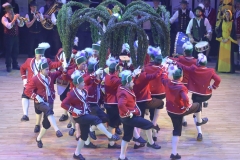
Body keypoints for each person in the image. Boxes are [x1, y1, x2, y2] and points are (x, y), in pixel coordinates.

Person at [61, 74, 120, 160]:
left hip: (85, 114)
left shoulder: (84, 91)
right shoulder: (72, 93)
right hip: (79, 116)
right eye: (82, 82)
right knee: (96, 119)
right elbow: (63, 104)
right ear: (77, 84)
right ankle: (110, 135)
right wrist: (73, 110)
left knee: (84, 136)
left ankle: (76, 154)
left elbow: (87, 96)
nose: (84, 83)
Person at [161, 65, 208, 160]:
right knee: (197, 105)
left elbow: (163, 77)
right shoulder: (182, 87)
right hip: (179, 111)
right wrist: (187, 106)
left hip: (170, 110)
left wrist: (164, 69)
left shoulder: (167, 82)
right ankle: (199, 121)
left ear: (173, 76)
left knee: (176, 130)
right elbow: (186, 98)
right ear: (181, 77)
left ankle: (174, 153)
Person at [173, 53, 221, 141]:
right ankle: (200, 120)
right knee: (199, 109)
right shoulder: (211, 70)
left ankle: (200, 130)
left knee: (197, 112)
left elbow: (184, 67)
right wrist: (213, 87)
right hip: (206, 95)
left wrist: (175, 62)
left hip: (196, 95)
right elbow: (218, 79)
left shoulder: (193, 68)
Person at [117, 70, 160, 160]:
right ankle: (150, 143)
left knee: (126, 137)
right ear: (128, 83)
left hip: (126, 118)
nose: (133, 83)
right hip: (129, 117)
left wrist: (134, 75)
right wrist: (128, 113)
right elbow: (121, 105)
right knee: (148, 124)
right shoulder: (123, 93)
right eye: (132, 82)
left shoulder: (123, 87)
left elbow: (129, 80)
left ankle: (122, 157)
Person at [20, 43, 62, 131]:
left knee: (41, 104)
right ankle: (25, 115)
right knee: (25, 95)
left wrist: (63, 62)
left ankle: (40, 124)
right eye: (39, 55)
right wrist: (24, 79)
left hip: (42, 84)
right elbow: (22, 68)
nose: (41, 57)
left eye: (42, 55)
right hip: (31, 83)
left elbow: (55, 65)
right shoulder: (29, 61)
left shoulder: (46, 61)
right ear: (35, 55)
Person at [24, 58, 64, 148]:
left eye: (48, 69)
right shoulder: (35, 79)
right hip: (40, 102)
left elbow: (58, 73)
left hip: (49, 101)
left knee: (46, 124)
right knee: (48, 110)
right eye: (46, 69)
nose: (48, 71)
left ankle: (38, 138)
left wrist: (63, 68)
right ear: (41, 70)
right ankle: (57, 130)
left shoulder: (50, 75)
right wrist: (36, 96)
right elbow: (27, 91)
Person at [144, 46, 165, 141]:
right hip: (161, 92)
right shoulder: (165, 68)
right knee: (157, 110)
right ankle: (154, 126)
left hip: (151, 93)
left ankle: (153, 128)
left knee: (152, 111)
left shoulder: (147, 68)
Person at [103, 57, 122, 149]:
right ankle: (111, 144)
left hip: (109, 102)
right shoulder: (114, 79)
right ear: (116, 71)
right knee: (112, 124)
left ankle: (112, 143)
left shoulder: (107, 76)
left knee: (112, 124)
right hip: (113, 104)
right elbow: (123, 81)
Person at [1, 2, 24, 72]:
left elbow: (21, 25)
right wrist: (14, 19)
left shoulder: (14, 16)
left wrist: (20, 20)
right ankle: (8, 66)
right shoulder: (4, 18)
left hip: (15, 36)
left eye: (11, 9)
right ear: (7, 10)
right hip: (8, 37)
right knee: (8, 52)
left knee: (15, 51)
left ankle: (15, 65)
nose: (11, 11)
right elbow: (9, 26)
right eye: (10, 10)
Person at [235, 0, 240, 68]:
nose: (238, 6)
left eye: (239, 4)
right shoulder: (235, 12)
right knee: (236, 49)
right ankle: (236, 63)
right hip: (235, 34)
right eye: (237, 4)